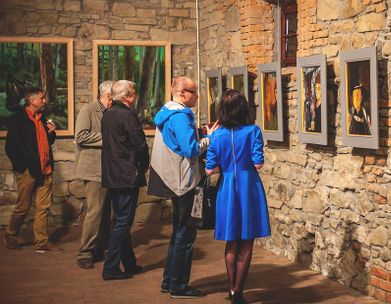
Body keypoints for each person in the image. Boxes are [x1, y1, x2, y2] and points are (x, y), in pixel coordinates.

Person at [147, 76, 218, 299]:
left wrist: (201, 131)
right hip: (182, 181)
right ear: (182, 93)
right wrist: (210, 138)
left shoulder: (167, 112)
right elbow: (190, 149)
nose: (197, 96)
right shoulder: (180, 116)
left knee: (178, 232)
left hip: (172, 179)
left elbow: (179, 141)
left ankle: (169, 280)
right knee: (186, 235)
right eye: (194, 92)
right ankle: (178, 286)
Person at [205, 89, 271, 304]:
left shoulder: (216, 135)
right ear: (243, 109)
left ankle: (231, 289)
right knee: (247, 241)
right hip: (248, 186)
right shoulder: (253, 131)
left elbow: (210, 170)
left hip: (227, 188)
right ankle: (238, 291)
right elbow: (258, 163)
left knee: (232, 241)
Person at [4, 87, 64, 253]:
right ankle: (10, 235)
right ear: (32, 101)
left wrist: (51, 133)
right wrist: (23, 167)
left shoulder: (42, 117)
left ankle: (42, 242)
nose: (44, 101)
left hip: (46, 169)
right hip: (28, 171)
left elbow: (44, 142)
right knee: (23, 207)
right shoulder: (18, 120)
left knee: (43, 207)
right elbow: (11, 148)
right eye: (41, 98)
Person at [101, 80, 149, 280]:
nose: (135, 96)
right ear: (128, 96)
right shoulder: (127, 115)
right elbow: (139, 145)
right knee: (122, 222)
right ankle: (110, 268)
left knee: (122, 220)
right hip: (127, 174)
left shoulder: (108, 114)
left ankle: (129, 263)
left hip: (113, 173)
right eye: (134, 92)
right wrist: (144, 164)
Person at [74, 80, 114, 269]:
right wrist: (108, 137)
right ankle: (85, 253)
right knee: (95, 211)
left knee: (105, 212)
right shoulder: (88, 110)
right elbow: (81, 136)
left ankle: (100, 249)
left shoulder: (109, 112)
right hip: (93, 170)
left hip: (106, 170)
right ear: (108, 96)